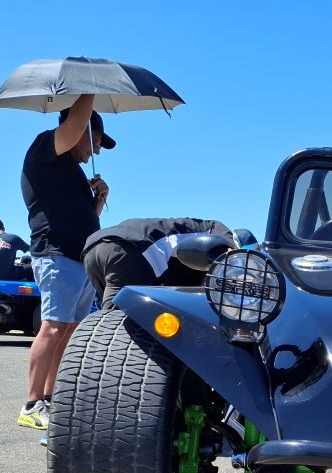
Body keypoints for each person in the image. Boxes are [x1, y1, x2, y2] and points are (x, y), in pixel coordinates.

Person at [17, 95, 113, 431]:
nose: (95, 152)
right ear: (80, 131)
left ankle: (52, 399)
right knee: (54, 327)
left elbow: (86, 219)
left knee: (69, 331)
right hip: (55, 255)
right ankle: (31, 404)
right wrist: (90, 89)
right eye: (95, 142)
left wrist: (99, 201)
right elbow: (74, 123)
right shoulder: (46, 148)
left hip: (78, 259)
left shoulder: (72, 171)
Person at [82, 217, 234, 308]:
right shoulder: (219, 232)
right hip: (130, 248)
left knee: (103, 323)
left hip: (93, 248)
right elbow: (232, 252)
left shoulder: (186, 229)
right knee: (120, 324)